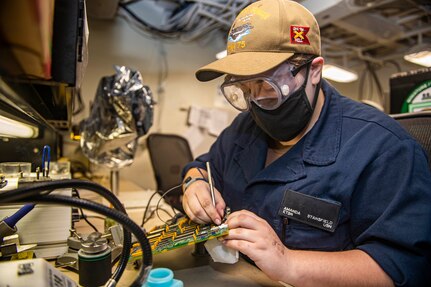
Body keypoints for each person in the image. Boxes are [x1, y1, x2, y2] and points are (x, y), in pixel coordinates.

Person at [180, 0, 431, 286]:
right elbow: (202, 167)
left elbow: (400, 267)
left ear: (313, 71)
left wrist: (287, 262)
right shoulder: (243, 129)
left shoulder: (384, 149)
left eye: (266, 85)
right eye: (243, 88)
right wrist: (195, 184)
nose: (255, 102)